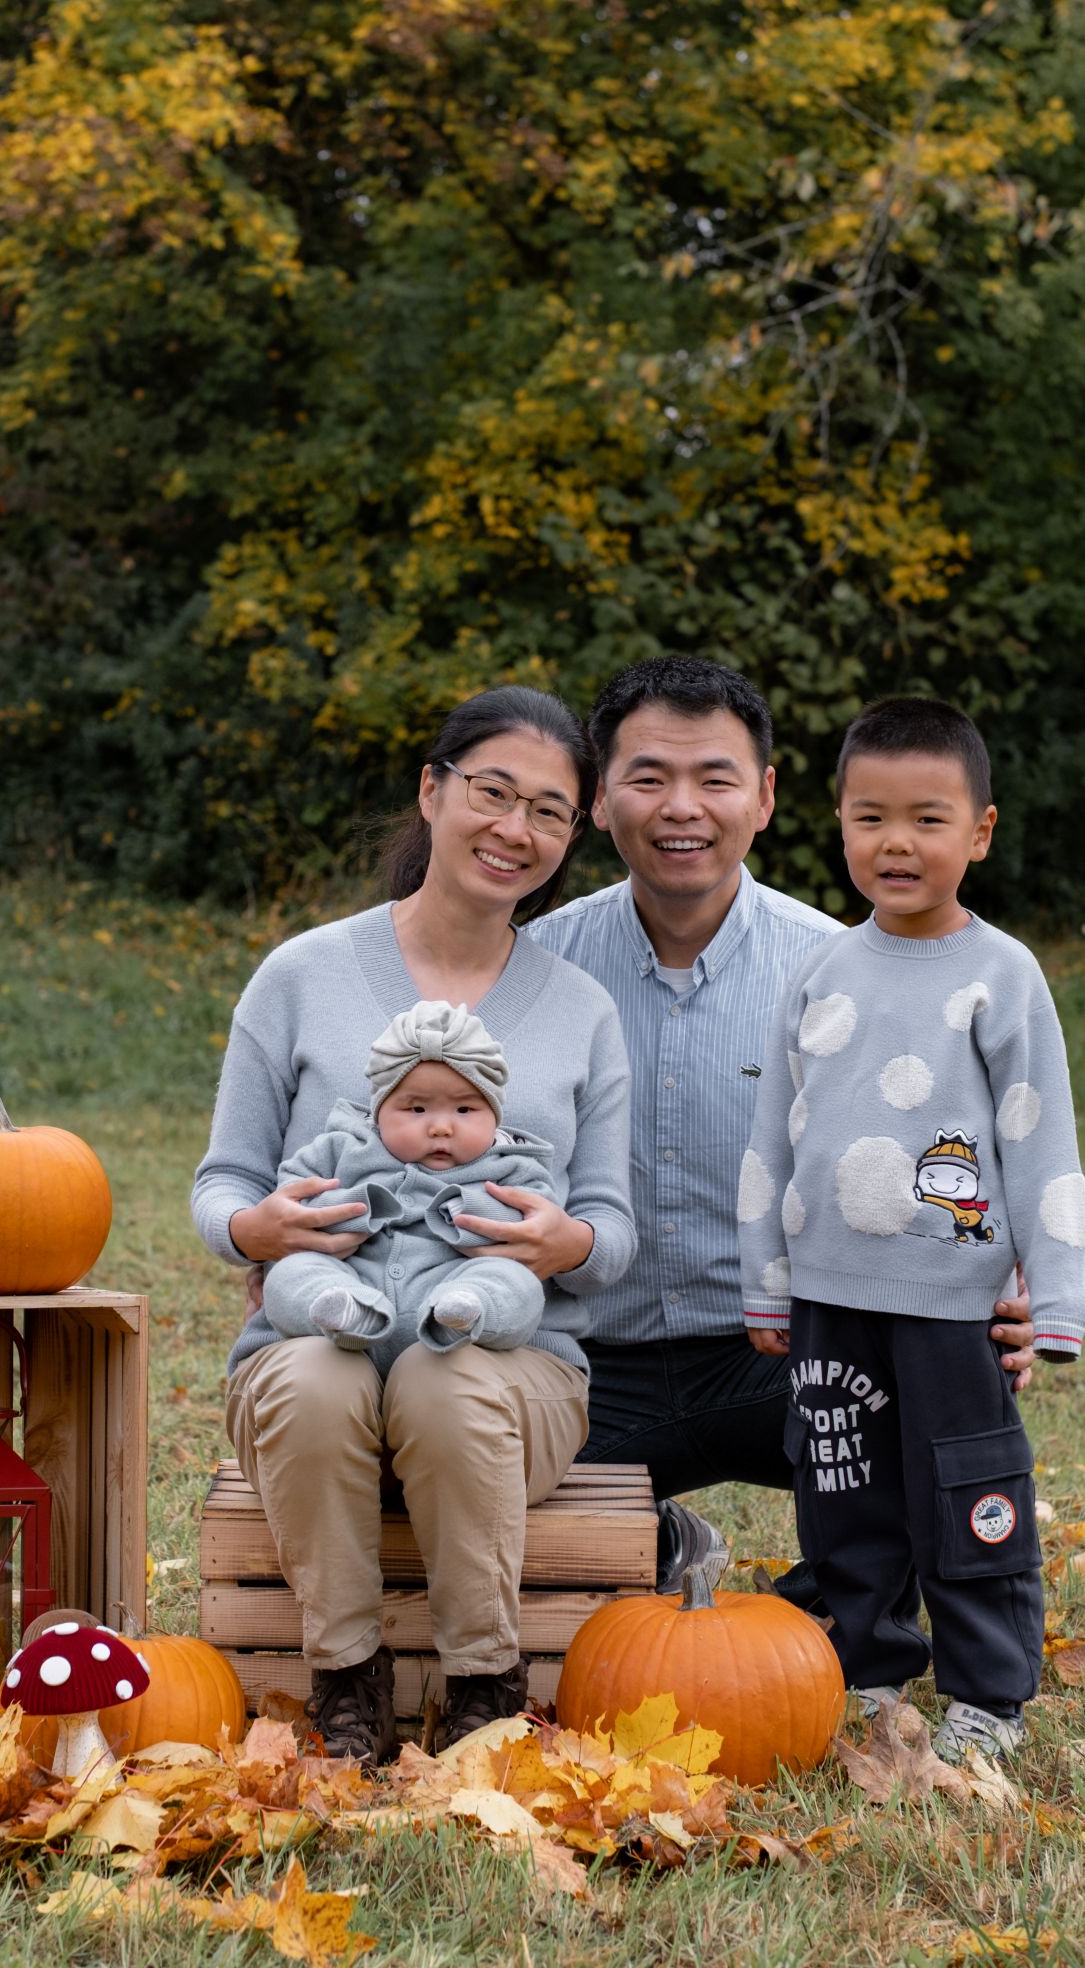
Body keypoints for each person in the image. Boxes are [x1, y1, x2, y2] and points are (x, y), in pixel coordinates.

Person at [191, 687, 636, 1763]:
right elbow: (220, 1186)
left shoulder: (579, 1007)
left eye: (547, 809)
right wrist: (262, 1227)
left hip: (508, 1361)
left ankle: (485, 1684)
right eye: (492, 791)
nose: (514, 827)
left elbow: (612, 1230)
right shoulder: (302, 974)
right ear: (432, 789)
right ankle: (346, 1678)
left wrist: (560, 1243)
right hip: (317, 1344)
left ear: (569, 835)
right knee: (316, 1374)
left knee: (445, 1377)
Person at [527, 656, 1035, 1595]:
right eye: (648, 778)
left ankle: (842, 1621)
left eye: (713, 778)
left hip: (793, 1349)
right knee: (450, 1480)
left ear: (761, 797)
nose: (682, 806)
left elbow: (951, 1153)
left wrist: (1001, 1284)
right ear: (600, 799)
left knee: (937, 1419)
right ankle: (659, 1544)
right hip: (592, 1363)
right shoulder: (533, 972)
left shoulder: (840, 972)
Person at [740, 696, 1082, 1760]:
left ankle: (988, 1689)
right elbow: (773, 1131)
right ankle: (869, 1665)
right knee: (843, 1490)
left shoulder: (1000, 973)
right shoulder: (820, 968)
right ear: (837, 824)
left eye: (928, 819)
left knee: (967, 1496)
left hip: (949, 1301)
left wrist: (1059, 1297)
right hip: (830, 1299)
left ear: (978, 831)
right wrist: (767, 1281)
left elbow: (1038, 1139)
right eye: (870, 817)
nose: (897, 843)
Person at [262, 1000, 556, 1371]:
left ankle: (462, 1316)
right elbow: (292, 1202)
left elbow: (537, 1226)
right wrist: (357, 1207)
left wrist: (465, 1210)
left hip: (459, 1285)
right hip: (350, 1279)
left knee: (516, 1282)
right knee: (290, 1275)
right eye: (417, 1110)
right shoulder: (342, 1146)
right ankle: (348, 1313)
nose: (441, 1127)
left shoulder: (511, 1164)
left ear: (495, 1115)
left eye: (464, 1110)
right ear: (379, 1110)